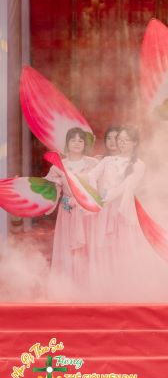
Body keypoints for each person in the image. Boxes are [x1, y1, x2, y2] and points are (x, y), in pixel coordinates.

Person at [86, 126, 145, 297]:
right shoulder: (107, 161)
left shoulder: (139, 164)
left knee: (124, 247)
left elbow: (127, 185)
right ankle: (105, 286)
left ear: (134, 143)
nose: (122, 143)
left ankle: (126, 287)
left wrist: (108, 197)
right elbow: (91, 176)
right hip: (105, 209)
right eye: (120, 140)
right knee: (104, 246)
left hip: (122, 210)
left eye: (126, 140)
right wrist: (95, 193)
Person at [45, 128, 98, 298]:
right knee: (67, 247)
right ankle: (67, 288)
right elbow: (50, 190)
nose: (77, 143)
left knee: (88, 247)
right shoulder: (58, 166)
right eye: (73, 140)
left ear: (85, 144)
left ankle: (88, 288)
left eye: (80, 140)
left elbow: (102, 187)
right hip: (68, 211)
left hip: (88, 213)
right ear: (67, 143)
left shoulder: (94, 164)